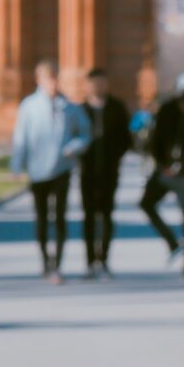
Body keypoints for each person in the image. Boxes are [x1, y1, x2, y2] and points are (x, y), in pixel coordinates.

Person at [7, 60, 90, 284]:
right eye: (48, 79)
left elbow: (84, 133)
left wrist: (74, 147)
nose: (52, 83)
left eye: (55, 78)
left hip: (61, 169)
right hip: (38, 170)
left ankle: (58, 264)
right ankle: (45, 261)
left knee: (60, 217)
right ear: (39, 80)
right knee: (42, 219)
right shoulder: (29, 106)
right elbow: (21, 138)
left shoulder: (69, 106)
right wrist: (16, 165)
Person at [142, 75, 184, 276]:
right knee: (146, 203)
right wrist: (162, 165)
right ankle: (172, 242)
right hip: (165, 171)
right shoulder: (167, 111)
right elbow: (156, 139)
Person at [77, 68, 132, 279]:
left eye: (102, 82)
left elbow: (126, 140)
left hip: (110, 170)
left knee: (107, 215)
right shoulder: (81, 110)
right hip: (88, 171)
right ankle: (90, 262)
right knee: (89, 216)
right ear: (88, 85)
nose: (98, 86)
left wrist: (114, 155)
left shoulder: (117, 108)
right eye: (94, 83)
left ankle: (104, 259)